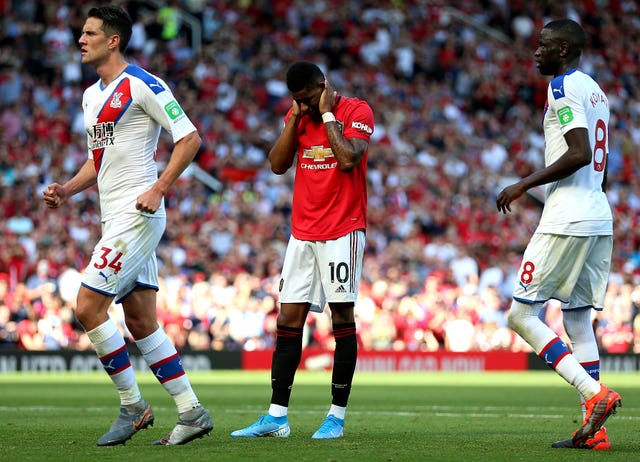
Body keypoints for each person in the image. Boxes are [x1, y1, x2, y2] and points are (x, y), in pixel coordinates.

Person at [42, 5, 212, 446]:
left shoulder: (143, 84)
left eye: (90, 33)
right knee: (139, 319)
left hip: (137, 215)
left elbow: (189, 137)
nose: (81, 40)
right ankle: (191, 411)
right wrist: (67, 189)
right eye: (81, 33)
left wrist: (158, 188)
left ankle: (133, 407)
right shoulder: (90, 96)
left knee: (86, 307)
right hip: (113, 216)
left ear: (113, 40)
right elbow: (97, 160)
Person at [230, 61, 374, 439]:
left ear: (323, 87)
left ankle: (336, 418)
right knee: (287, 321)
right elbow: (278, 165)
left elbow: (347, 159)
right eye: (297, 100)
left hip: (343, 230)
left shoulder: (356, 111)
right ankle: (276, 418)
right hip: (303, 233)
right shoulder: (297, 116)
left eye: (307, 98)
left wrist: (326, 113)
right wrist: (294, 118)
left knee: (341, 319)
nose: (303, 104)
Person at [496, 19, 621, 450]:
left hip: (567, 217)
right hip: (597, 215)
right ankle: (595, 431)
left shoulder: (563, 87)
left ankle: (594, 394)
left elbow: (580, 151)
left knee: (520, 315)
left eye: (544, 45)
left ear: (563, 49)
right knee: (576, 319)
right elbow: (598, 162)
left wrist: (523, 184)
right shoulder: (597, 91)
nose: (536, 52)